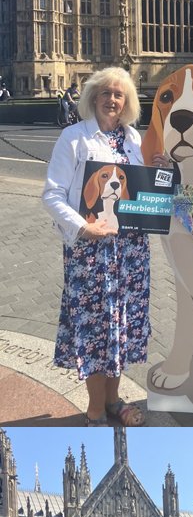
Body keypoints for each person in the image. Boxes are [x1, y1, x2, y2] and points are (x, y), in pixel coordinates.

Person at [42, 66, 153, 427]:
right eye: (105, 93)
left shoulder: (137, 140)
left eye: (119, 94)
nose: (112, 100)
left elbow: (148, 191)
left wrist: (161, 173)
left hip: (130, 253)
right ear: (92, 98)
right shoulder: (74, 137)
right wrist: (82, 227)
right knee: (95, 331)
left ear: (127, 102)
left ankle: (114, 401)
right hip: (91, 254)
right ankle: (95, 409)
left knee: (119, 328)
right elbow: (53, 194)